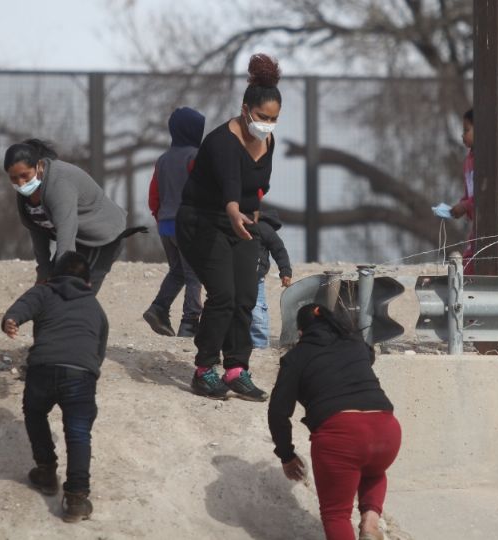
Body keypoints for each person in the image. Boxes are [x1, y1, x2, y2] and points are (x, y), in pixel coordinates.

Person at [176, 53, 282, 401]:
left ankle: (237, 369)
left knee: (246, 297)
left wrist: (251, 215)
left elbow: (257, 187)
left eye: (273, 119)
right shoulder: (221, 141)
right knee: (223, 294)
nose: (267, 124)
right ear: (245, 108)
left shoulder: (268, 141)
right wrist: (236, 211)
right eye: (262, 117)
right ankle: (204, 369)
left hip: (243, 223)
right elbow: (232, 187)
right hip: (202, 221)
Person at [268, 303, 401, 540]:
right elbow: (368, 355)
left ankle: (366, 527)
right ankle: (370, 524)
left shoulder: (296, 357)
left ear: (301, 332)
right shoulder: (355, 344)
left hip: (341, 436)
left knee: (336, 514)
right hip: (386, 429)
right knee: (373, 470)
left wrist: (286, 455)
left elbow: (278, 412)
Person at [1, 252, 108, 523]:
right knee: (79, 432)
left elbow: (22, 307)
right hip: (80, 375)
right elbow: (99, 347)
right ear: (88, 282)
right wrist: (89, 370)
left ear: (53, 276)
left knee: (35, 412)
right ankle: (76, 498)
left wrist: (11, 320)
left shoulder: (44, 291)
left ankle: (47, 471)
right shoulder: (94, 306)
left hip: (43, 368)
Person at [3, 138, 145, 294]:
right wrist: (44, 271)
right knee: (50, 292)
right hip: (77, 239)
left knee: (74, 294)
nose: (21, 183)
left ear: (38, 166)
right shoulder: (25, 194)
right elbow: (37, 230)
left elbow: (66, 229)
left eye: (25, 175)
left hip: (102, 238)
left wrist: (63, 274)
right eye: (14, 178)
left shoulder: (58, 185)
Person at [143, 107, 206, 338]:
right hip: (188, 225)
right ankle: (190, 323)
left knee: (178, 271)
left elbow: (153, 196)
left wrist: (160, 217)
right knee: (194, 275)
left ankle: (159, 308)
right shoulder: (195, 157)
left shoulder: (163, 160)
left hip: (165, 225)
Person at [432, 108, 498, 274]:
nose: (462, 135)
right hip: (480, 222)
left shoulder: (490, 157)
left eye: (466, 130)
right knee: (469, 261)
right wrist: (458, 208)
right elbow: (470, 194)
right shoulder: (469, 161)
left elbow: (489, 193)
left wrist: (465, 206)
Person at [250, 209, 293, 348]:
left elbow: (279, 250)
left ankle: (259, 345)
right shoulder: (233, 224)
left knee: (257, 312)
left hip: (256, 279)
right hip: (235, 277)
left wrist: (285, 271)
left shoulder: (263, 228)